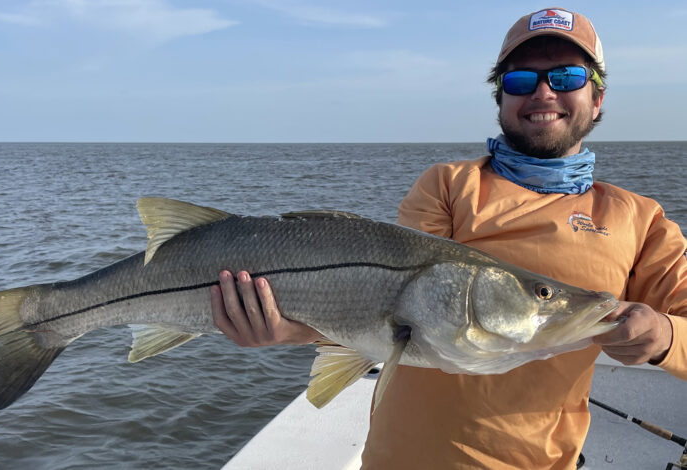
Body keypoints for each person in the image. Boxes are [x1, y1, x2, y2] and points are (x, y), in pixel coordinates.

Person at [210, 7, 687, 469]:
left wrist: (664, 335)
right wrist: (289, 329)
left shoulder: (639, 218)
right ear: (500, 98)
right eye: (520, 80)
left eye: (566, 77)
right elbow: (388, 313)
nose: (543, 93)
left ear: (597, 98)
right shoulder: (450, 185)